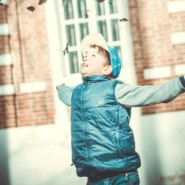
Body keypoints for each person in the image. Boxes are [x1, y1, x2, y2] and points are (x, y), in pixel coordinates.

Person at [56, 33, 185, 185]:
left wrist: (181, 82)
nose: (85, 57)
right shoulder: (76, 93)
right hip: (93, 178)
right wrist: (60, 88)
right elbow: (66, 95)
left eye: (93, 55)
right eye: (85, 55)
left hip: (120, 176)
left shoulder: (116, 90)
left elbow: (155, 94)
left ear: (107, 69)